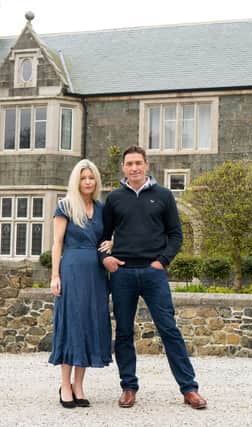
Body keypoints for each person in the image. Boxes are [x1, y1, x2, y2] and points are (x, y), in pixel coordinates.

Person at [100, 145, 207, 410]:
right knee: (123, 332)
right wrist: (105, 259)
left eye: (138, 163)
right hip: (122, 273)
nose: (134, 168)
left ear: (146, 165)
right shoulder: (114, 199)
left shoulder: (163, 196)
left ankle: (189, 389)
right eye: (129, 164)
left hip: (153, 273)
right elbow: (101, 236)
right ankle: (128, 387)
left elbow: (176, 235)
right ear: (123, 167)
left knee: (169, 330)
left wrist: (162, 261)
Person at [49, 159, 113, 408]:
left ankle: (79, 385)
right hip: (72, 270)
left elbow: (106, 240)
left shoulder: (101, 208)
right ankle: (65, 384)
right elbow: (57, 243)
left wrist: (112, 244)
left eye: (91, 177)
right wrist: (55, 275)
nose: (88, 181)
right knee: (72, 323)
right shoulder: (65, 206)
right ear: (76, 181)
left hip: (96, 275)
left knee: (89, 323)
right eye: (83, 178)